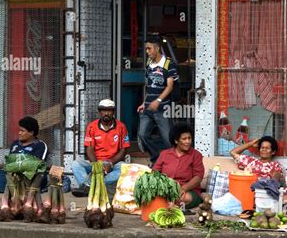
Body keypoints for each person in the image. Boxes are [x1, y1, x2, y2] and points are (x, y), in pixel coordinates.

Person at [72, 99, 130, 199]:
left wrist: (110, 163)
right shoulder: (91, 127)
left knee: (125, 169)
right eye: (103, 110)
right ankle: (91, 186)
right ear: (99, 112)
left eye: (109, 110)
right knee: (75, 164)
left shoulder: (121, 127)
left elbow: (123, 150)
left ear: (113, 112)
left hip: (113, 163)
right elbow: (89, 148)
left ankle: (89, 186)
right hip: (96, 162)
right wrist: (96, 166)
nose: (106, 113)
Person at [137, 35, 178, 166]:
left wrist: (158, 100)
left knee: (168, 139)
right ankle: (156, 159)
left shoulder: (169, 64)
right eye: (146, 49)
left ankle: (174, 164)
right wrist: (144, 103)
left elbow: (170, 86)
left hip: (162, 108)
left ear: (157, 48)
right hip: (148, 108)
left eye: (149, 49)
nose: (147, 51)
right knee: (143, 135)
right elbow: (149, 86)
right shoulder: (149, 64)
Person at [0, 117, 48, 194]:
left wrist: (21, 166)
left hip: (29, 176)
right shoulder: (15, 144)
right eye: (19, 130)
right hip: (14, 175)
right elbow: (10, 161)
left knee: (42, 178)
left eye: (22, 131)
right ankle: (15, 190)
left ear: (31, 132)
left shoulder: (40, 145)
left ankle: (9, 189)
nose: (19, 133)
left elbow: (38, 164)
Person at [153, 122, 204, 209]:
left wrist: (183, 188)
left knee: (185, 198)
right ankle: (169, 205)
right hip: (166, 190)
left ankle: (170, 205)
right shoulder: (165, 154)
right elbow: (155, 172)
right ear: (176, 141)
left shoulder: (196, 155)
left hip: (188, 190)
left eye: (189, 138)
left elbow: (198, 177)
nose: (187, 141)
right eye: (184, 139)